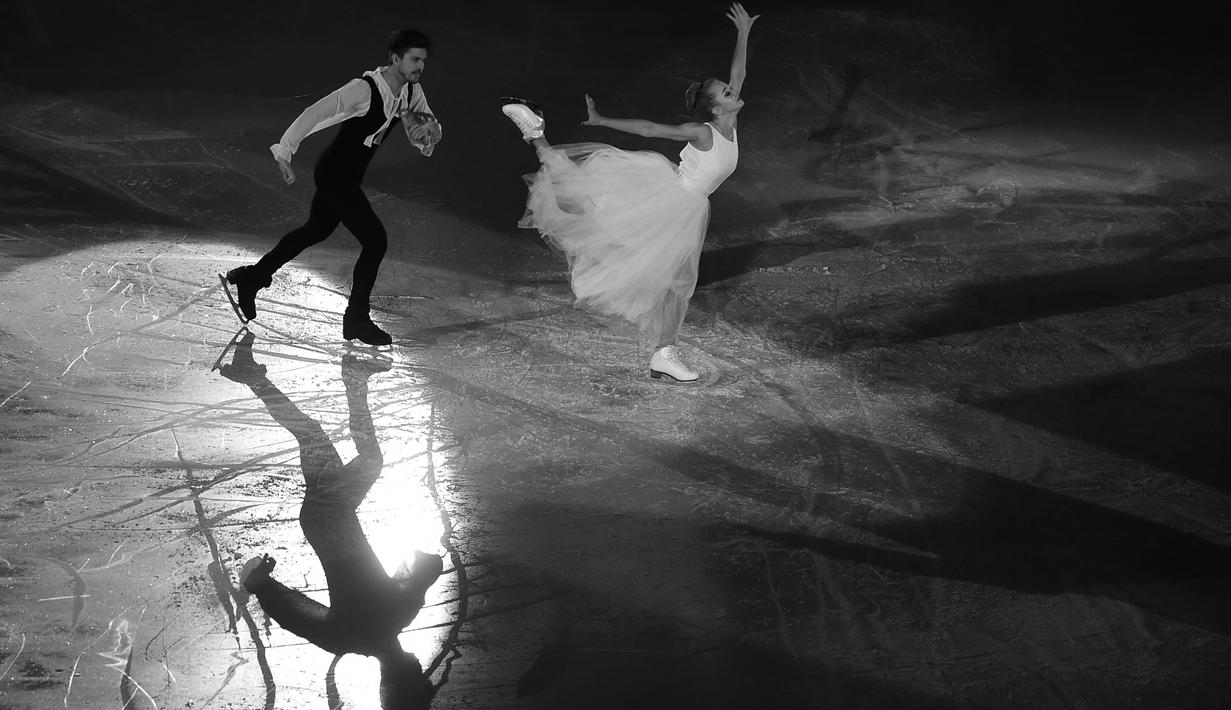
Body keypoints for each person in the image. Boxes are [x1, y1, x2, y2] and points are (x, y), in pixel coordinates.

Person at [501, 3, 758, 382]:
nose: (734, 90)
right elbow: (652, 130)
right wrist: (603, 120)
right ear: (715, 108)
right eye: (726, 91)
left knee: (672, 282)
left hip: (687, 208)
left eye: (730, 88)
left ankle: (663, 354)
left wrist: (743, 33)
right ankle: (537, 135)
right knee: (590, 212)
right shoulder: (703, 131)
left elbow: (740, 72)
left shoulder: (729, 120)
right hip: (671, 198)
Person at [220, 331, 444, 709]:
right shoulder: (348, 640)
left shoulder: (399, 614)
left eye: (421, 675)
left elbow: (428, 564)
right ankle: (260, 375)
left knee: (354, 453)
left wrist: (418, 578)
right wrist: (262, 580)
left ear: (414, 669)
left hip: (335, 512)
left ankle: (350, 377)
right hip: (322, 520)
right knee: (315, 437)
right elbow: (294, 614)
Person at [224, 29, 443, 346]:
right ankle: (356, 320)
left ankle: (252, 278)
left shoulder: (411, 92)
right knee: (375, 241)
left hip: (349, 177)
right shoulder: (364, 90)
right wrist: (285, 150)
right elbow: (316, 113)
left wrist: (426, 140)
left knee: (315, 230)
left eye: (423, 60)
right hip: (334, 174)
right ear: (396, 59)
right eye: (414, 59)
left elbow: (422, 126)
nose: (420, 66)